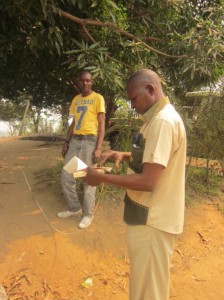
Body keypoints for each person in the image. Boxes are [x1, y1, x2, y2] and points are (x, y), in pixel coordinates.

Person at [85, 69, 186, 299]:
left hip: (153, 221)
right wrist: (125, 154)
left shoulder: (163, 122)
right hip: (148, 218)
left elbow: (149, 181)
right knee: (144, 287)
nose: (131, 105)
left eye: (133, 98)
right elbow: (157, 160)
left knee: (148, 293)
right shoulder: (156, 120)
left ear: (150, 89)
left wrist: (100, 177)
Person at [58, 70, 105, 229]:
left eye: (88, 81)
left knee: (88, 178)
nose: (85, 83)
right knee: (66, 175)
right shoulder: (76, 100)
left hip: (89, 141)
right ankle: (74, 208)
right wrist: (66, 141)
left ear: (91, 82)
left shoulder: (98, 98)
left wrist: (98, 147)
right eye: (82, 81)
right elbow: (73, 122)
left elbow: (102, 124)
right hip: (75, 141)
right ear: (78, 82)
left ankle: (88, 214)